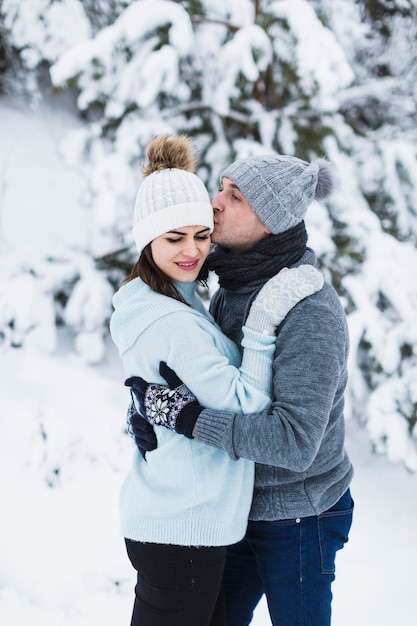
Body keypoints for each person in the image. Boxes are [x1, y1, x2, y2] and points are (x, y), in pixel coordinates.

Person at [129, 151, 354, 626]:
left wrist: (188, 420)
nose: (214, 203)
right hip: (236, 507)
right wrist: (148, 412)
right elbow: (206, 380)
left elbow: (294, 443)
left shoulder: (307, 309)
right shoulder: (234, 285)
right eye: (221, 186)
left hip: (299, 514)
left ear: (270, 222)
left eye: (235, 197)